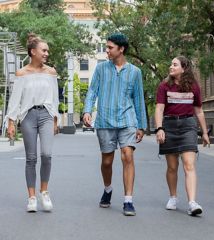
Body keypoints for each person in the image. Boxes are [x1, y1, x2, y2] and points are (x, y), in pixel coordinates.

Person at [83, 33, 147, 216]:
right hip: (105, 121)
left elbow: (138, 100)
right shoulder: (101, 69)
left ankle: (128, 200)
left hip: (127, 121)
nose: (107, 51)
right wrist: (87, 110)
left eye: (110, 47)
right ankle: (108, 188)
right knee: (107, 161)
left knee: (127, 156)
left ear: (121, 49)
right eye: (107, 47)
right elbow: (92, 91)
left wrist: (141, 126)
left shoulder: (135, 72)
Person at [4, 33, 59, 212]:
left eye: (47, 51)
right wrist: (11, 122)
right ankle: (32, 197)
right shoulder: (22, 73)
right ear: (33, 51)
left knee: (47, 154)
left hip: (46, 115)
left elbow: (55, 98)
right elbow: (15, 100)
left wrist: (55, 119)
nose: (46, 54)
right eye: (44, 50)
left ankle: (44, 191)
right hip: (28, 116)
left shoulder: (51, 72)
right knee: (31, 158)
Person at [154, 56, 210, 216]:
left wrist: (205, 132)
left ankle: (192, 202)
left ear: (184, 68)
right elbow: (159, 109)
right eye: (171, 64)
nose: (171, 67)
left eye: (174, 64)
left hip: (188, 127)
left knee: (189, 165)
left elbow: (199, 110)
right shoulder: (164, 86)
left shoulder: (193, 86)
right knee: (172, 167)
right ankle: (173, 197)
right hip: (169, 126)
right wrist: (159, 128)